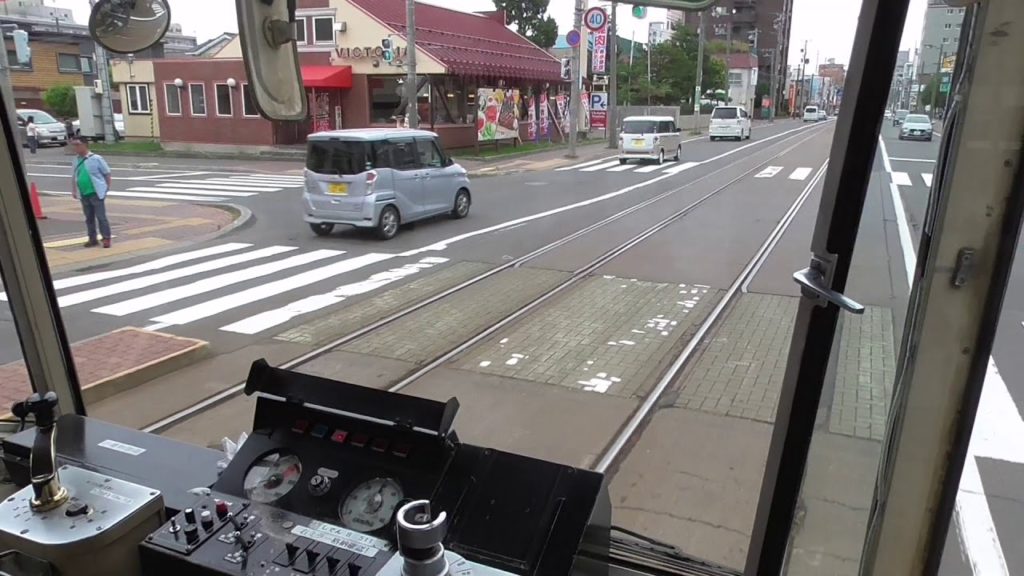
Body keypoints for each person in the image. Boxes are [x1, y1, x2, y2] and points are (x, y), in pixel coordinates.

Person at [70, 137, 112, 248]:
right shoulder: (75, 159)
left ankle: (106, 238)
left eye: (77, 144)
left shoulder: (96, 158)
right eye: (73, 145)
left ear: (84, 145)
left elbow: (107, 173)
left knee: (101, 217)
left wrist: (106, 188)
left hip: (96, 192)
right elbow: (75, 176)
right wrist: (74, 189)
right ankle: (92, 238)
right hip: (83, 193)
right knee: (89, 217)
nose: (75, 147)